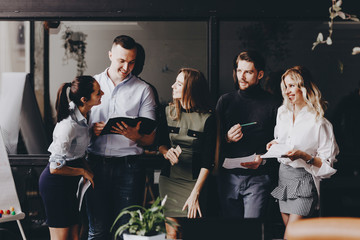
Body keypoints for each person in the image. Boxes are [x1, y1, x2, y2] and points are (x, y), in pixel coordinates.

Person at [85, 35, 157, 239]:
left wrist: (135, 135)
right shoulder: (91, 85)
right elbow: (74, 128)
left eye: (132, 62)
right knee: (97, 231)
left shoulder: (144, 90)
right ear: (110, 55)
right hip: (95, 166)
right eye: (121, 61)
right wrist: (91, 130)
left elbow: (150, 139)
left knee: (126, 232)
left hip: (129, 168)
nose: (126, 67)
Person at [266, 66, 339, 239]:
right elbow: (282, 140)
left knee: (290, 236)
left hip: (304, 179)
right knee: (297, 236)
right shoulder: (282, 113)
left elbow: (328, 165)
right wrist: (274, 144)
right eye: (285, 86)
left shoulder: (319, 122)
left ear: (304, 87)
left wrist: (304, 156)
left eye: (292, 86)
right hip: (283, 178)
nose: (287, 91)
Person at [216, 50, 279, 219]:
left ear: (260, 74)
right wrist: (226, 138)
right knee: (232, 231)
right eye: (239, 71)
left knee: (252, 232)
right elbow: (211, 142)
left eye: (248, 72)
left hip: (258, 178)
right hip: (228, 178)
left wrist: (264, 159)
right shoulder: (225, 101)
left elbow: (280, 142)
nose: (241, 76)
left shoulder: (272, 104)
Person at [39, 76, 103, 240]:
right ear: (84, 99)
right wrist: (83, 171)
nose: (102, 93)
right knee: (61, 238)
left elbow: (78, 153)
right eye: (98, 93)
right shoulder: (68, 125)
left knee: (74, 236)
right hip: (55, 184)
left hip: (69, 183)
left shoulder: (83, 114)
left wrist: (87, 170)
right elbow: (55, 168)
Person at [158, 68, 216, 239]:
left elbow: (208, 161)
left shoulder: (208, 118)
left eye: (179, 83)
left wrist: (195, 193)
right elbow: (160, 143)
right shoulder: (167, 112)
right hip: (169, 180)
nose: (172, 86)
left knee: (191, 232)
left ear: (190, 88)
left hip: (195, 182)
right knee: (172, 232)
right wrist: (166, 152)